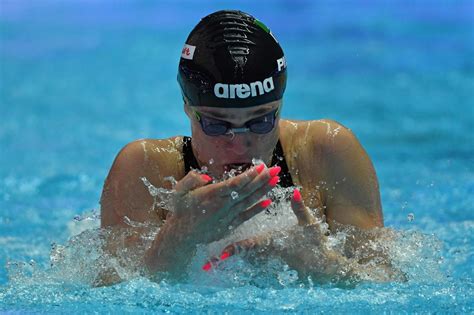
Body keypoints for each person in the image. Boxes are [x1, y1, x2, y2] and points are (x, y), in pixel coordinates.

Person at [99, 10, 384, 284]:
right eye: (217, 125)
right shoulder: (144, 167)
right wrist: (176, 238)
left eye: (260, 121)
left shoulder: (326, 153)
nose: (239, 147)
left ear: (280, 106)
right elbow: (109, 298)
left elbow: (386, 281)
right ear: (187, 107)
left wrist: (326, 267)